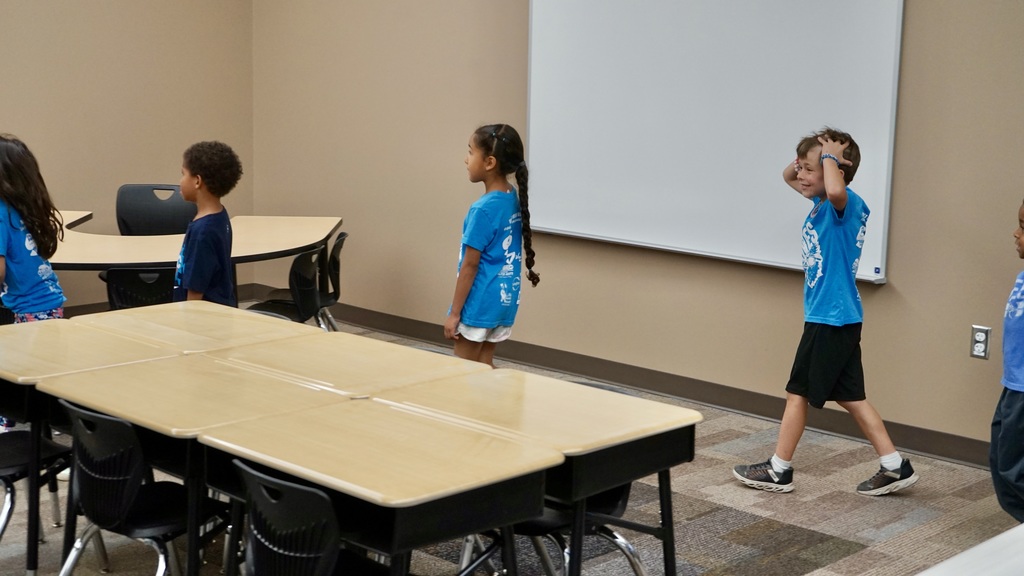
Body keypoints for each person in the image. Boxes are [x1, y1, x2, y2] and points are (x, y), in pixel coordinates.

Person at [733, 127, 919, 496]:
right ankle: (894, 465)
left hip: (829, 318)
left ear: (838, 172)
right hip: (839, 317)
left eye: (809, 170)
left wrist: (830, 158)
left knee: (797, 394)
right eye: (801, 167)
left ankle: (778, 469)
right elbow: (788, 177)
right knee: (852, 398)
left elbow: (835, 189)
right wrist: (810, 157)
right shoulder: (822, 205)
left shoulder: (843, 206)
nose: (800, 176)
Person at [444, 124, 539, 366]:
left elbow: (470, 266)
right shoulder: (511, 196)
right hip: (502, 303)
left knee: (461, 372)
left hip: (479, 303)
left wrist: (454, 313)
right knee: (484, 369)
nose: (466, 159)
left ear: (489, 163)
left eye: (471, 152)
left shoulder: (482, 209)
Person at [0, 134, 67, 432]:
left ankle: (13, 425)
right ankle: (40, 426)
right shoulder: (24, 208)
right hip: (47, 301)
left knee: (22, 370)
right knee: (40, 370)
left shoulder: (1, 212)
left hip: (30, 308)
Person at [173, 141, 242, 307]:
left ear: (197, 181)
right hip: (219, 310)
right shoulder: (220, 215)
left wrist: (185, 319)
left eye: (183, 174)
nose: (180, 181)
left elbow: (196, 290)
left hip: (204, 317)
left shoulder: (202, 231)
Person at [990, 199, 1024, 522]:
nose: (1015, 233)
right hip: (1013, 384)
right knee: (1001, 464)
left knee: (1014, 471)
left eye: (1023, 228)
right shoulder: (1023, 275)